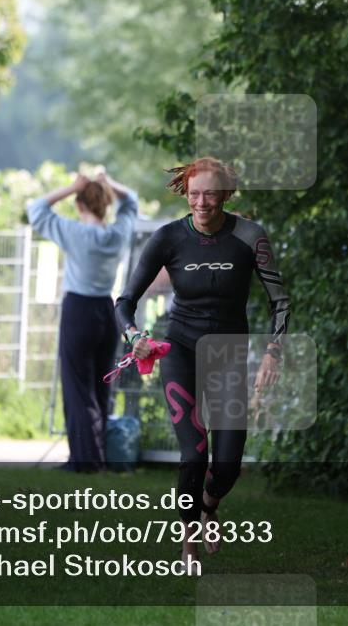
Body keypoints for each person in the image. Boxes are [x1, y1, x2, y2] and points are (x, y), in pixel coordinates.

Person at [114, 157, 290, 564]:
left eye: (210, 194)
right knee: (194, 454)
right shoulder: (168, 238)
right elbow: (124, 303)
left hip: (228, 356)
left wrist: (272, 352)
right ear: (186, 194)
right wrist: (136, 336)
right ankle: (188, 538)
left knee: (227, 463)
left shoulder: (250, 236)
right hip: (181, 352)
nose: (202, 202)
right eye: (194, 194)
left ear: (226, 194)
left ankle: (209, 505)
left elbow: (280, 300)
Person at [27, 168, 138, 472]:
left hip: (78, 310)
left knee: (78, 387)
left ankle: (84, 461)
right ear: (105, 204)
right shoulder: (118, 234)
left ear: (80, 205)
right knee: (101, 387)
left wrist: (71, 186)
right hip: (107, 310)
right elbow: (133, 203)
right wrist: (109, 181)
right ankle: (97, 457)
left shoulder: (74, 233)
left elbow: (35, 209)